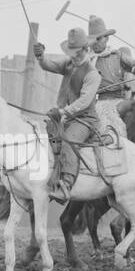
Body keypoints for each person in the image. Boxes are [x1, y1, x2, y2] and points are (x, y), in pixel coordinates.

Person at [34, 26, 101, 200]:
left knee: (68, 140)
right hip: (65, 116)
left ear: (86, 50)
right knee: (42, 137)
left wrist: (63, 111)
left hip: (85, 120)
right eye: (71, 52)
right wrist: (40, 56)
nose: (73, 55)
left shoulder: (92, 74)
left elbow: (84, 101)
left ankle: (66, 184)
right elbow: (48, 65)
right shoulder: (68, 64)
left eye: (77, 52)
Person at [88, 16, 135, 139]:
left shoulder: (117, 55)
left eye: (99, 38)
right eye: (93, 40)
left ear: (107, 38)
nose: (95, 42)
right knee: (105, 119)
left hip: (120, 99)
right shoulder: (88, 61)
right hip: (101, 102)